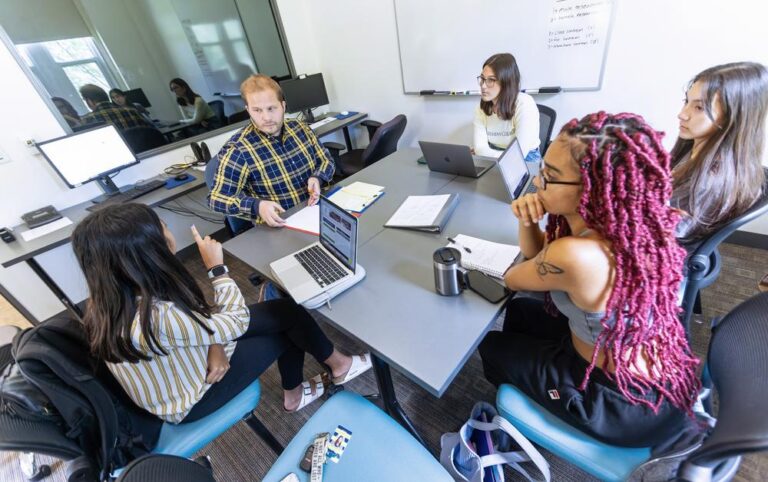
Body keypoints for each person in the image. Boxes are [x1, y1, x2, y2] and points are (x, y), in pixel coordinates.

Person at [479, 112, 701, 448]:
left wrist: (526, 219)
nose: (537, 183)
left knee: (492, 346)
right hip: (650, 365)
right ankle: (533, 372)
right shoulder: (631, 224)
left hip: (621, 399)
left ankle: (524, 424)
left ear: (592, 190)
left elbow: (514, 278)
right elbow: (539, 258)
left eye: (549, 177)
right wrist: (530, 221)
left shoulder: (577, 255)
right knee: (523, 313)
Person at [70, 203, 371, 424]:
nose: (167, 229)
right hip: (190, 400)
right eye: (160, 226)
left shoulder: (110, 296)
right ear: (147, 250)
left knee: (285, 310)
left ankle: (335, 367)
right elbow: (234, 321)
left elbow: (198, 321)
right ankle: (301, 391)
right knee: (285, 327)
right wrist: (217, 268)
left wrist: (213, 344)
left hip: (188, 356)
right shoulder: (157, 317)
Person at [209, 74, 335, 227]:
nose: (266, 117)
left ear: (283, 105)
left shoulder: (301, 128)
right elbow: (216, 198)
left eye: (271, 108)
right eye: (257, 110)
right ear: (248, 110)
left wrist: (318, 178)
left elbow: (326, 160)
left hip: (319, 211)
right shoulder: (238, 150)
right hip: (283, 225)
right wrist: (257, 206)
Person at [671, 62, 767, 247]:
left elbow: (666, 233)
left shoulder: (708, 178)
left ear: (733, 117)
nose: (682, 114)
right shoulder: (697, 152)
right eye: (687, 102)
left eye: (699, 108)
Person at [474, 53, 540, 161]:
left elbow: (518, 154)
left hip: (526, 160)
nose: (483, 85)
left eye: (490, 80)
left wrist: (487, 153)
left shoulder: (524, 103)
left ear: (506, 82)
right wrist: (484, 153)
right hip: (493, 158)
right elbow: (479, 149)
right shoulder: (481, 108)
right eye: (482, 78)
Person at [79, 84, 152, 132]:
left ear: (90, 101)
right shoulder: (132, 110)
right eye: (114, 97)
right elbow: (151, 131)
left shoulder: (88, 120)